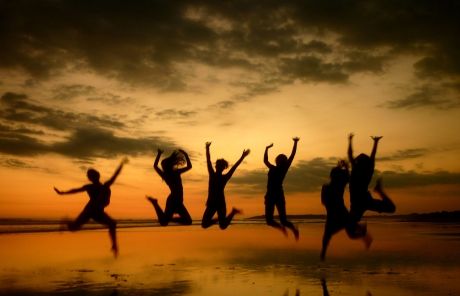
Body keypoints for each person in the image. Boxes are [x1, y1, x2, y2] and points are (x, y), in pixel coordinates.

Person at [54, 157, 128, 257]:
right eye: (91, 176)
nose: (92, 178)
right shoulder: (91, 187)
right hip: (90, 211)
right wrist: (62, 193)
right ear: (91, 178)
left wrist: (122, 164)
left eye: (93, 176)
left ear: (97, 176)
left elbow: (115, 175)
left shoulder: (104, 185)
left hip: (96, 211)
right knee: (74, 228)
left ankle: (114, 245)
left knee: (112, 224)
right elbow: (75, 190)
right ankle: (65, 220)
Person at [320, 160, 372, 261]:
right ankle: (323, 253)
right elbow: (323, 201)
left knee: (349, 234)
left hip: (341, 213)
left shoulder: (337, 185)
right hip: (335, 214)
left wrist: (346, 167)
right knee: (328, 235)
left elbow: (348, 177)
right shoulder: (329, 186)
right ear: (332, 176)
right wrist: (345, 167)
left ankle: (362, 232)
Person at [347, 133, 396, 223]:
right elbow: (372, 156)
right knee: (391, 208)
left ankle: (379, 190)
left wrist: (350, 140)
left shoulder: (357, 169)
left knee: (351, 224)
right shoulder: (367, 170)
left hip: (358, 202)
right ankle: (379, 190)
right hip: (365, 200)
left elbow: (350, 155)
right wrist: (376, 142)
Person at [201, 142, 250, 229]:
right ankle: (229, 214)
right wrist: (207, 148)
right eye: (218, 165)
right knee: (212, 224)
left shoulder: (221, 176)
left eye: (219, 166)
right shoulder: (214, 175)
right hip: (213, 203)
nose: (217, 166)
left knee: (220, 225)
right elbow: (208, 161)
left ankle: (232, 213)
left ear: (222, 168)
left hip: (219, 203)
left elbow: (234, 167)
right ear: (216, 166)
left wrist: (207, 148)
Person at [264, 137, 300, 240]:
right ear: (277, 161)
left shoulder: (284, 168)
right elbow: (265, 160)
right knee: (269, 221)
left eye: (282, 160)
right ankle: (282, 229)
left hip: (278, 194)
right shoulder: (272, 168)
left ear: (283, 162)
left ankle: (293, 229)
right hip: (270, 195)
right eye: (279, 160)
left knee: (283, 220)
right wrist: (266, 149)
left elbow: (293, 155)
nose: (279, 161)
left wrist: (295, 143)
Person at [146, 149, 193, 226]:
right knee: (187, 221)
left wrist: (159, 154)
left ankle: (155, 204)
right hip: (175, 200)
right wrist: (186, 154)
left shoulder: (166, 175)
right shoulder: (176, 172)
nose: (163, 168)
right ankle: (155, 204)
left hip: (174, 199)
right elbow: (189, 166)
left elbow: (155, 166)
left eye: (163, 166)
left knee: (164, 222)